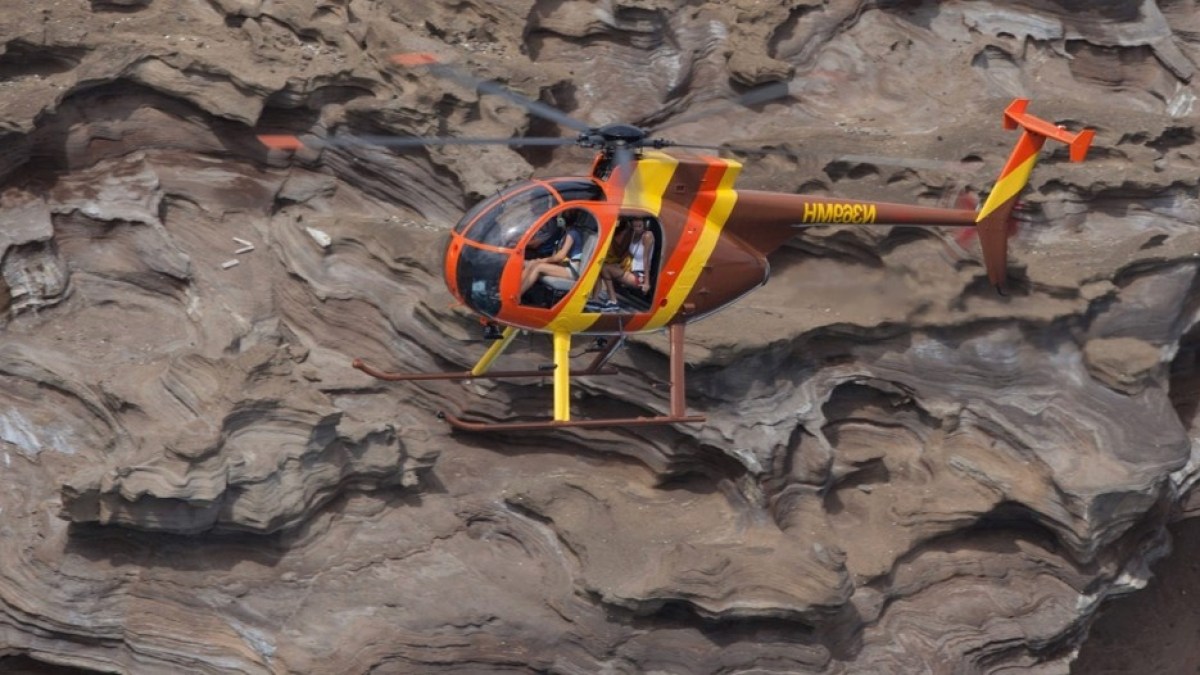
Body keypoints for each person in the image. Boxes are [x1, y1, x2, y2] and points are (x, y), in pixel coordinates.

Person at [588, 215, 653, 312]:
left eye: (639, 225)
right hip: (630, 269)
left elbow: (646, 259)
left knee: (605, 268)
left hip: (640, 276)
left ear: (645, 223)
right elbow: (626, 253)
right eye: (635, 225)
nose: (637, 228)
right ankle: (596, 299)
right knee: (599, 266)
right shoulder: (633, 234)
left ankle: (613, 301)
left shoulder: (647, 235)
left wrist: (647, 283)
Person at [519, 216, 583, 297]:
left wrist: (541, 261)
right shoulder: (566, 232)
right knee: (532, 263)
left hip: (570, 270)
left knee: (538, 267)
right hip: (562, 266)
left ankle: (517, 296)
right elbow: (556, 254)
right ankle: (515, 290)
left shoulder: (573, 233)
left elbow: (560, 256)